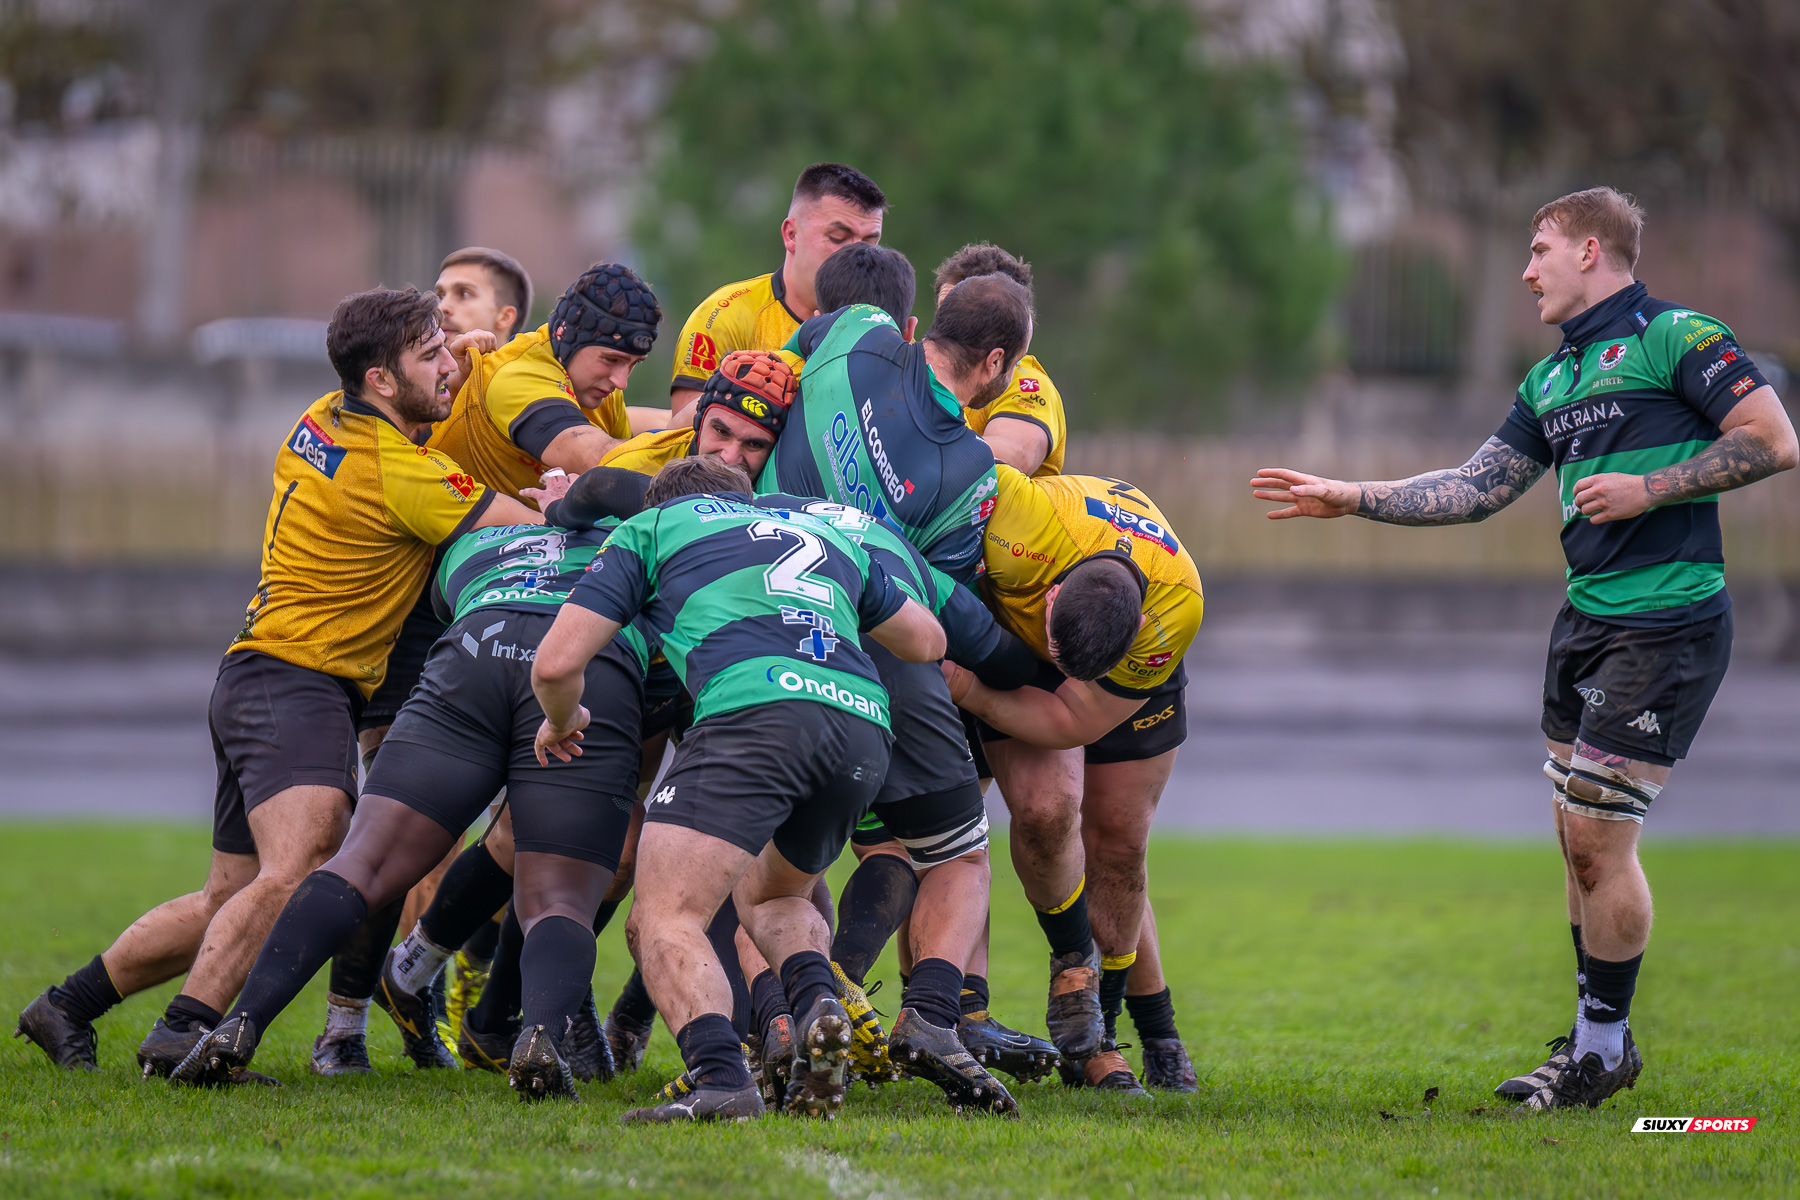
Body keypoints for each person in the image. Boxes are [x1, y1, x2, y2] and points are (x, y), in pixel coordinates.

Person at [1249, 186, 1797, 1111]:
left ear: (1590, 250)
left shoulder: (1677, 336)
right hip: (1584, 623)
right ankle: (1593, 1041)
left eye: (1540, 249)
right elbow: (1477, 486)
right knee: (1576, 840)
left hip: (1667, 621)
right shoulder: (1552, 379)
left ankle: (1602, 1051)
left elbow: (1774, 440)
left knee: (1596, 834)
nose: (1526, 270)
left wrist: (1651, 487)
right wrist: (1354, 496)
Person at [15, 288, 541, 1075]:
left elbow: (415, 408)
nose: (448, 365)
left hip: (254, 676)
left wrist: (458, 356)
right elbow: (535, 525)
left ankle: (65, 1007)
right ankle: (183, 1033)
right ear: (381, 380)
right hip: (298, 683)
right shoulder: (402, 472)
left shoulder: (322, 417)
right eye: (429, 354)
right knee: (305, 862)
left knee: (232, 897)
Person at [170, 505, 655, 1099]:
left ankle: (242, 1022)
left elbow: (445, 602)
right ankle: (537, 1039)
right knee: (560, 898)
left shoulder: (483, 540)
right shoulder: (649, 537)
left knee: (362, 863)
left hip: (474, 647)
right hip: (588, 662)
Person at [531, 455, 947, 1122]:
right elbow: (927, 640)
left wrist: (562, 720)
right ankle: (817, 1003)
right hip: (863, 725)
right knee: (777, 894)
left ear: (661, 502)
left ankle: (721, 1076)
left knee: (664, 915)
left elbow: (555, 664)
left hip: (755, 708)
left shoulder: (653, 527)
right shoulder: (822, 534)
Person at [315, 245, 539, 1077]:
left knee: (512, 834)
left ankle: (446, 987)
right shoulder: (413, 396)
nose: (446, 308)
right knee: (402, 841)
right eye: (438, 294)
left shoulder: (520, 387)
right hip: (409, 638)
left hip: (494, 631)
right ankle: (359, 1020)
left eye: (463, 294)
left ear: (507, 317)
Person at [947, 466, 1206, 1094]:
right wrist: (965, 683)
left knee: (1120, 843)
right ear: (1052, 593)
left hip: (1117, 676)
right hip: (1010, 641)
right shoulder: (1019, 518)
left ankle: (1122, 1034)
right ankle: (979, 1012)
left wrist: (970, 692)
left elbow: (1072, 719)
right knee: (1034, 815)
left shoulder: (1174, 609)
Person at [758, 242, 1024, 586]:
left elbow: (776, 370)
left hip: (738, 543)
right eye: (1016, 363)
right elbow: (942, 597)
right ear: (995, 362)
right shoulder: (974, 469)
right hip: (825, 608)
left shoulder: (860, 324)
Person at [647, 162, 886, 431]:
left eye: (869, 244)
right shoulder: (725, 316)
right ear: (791, 235)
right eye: (838, 237)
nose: (856, 256)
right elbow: (685, 441)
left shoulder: (884, 325)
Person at [429, 262, 659, 502]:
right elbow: (601, 463)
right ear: (569, 339)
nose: (621, 382)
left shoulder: (603, 387)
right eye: (611, 359)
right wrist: (686, 448)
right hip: (449, 521)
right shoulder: (516, 373)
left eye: (633, 364)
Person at [932, 244, 1067, 477]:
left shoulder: (1027, 385)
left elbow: (1010, 458)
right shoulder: (922, 367)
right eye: (942, 315)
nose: (944, 330)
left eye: (958, 318)